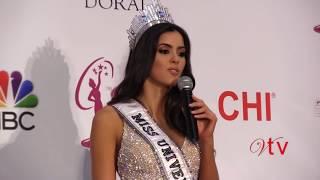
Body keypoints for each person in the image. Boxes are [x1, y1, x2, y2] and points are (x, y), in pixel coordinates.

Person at [90, 1, 219, 179]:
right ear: (144, 56)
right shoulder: (111, 119)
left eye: (181, 53)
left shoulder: (188, 118)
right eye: (164, 51)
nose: (176, 59)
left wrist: (206, 139)